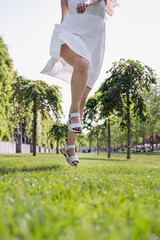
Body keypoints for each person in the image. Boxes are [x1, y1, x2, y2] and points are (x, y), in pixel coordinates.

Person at [41, 0, 119, 166]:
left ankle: (70, 147)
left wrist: (87, 3)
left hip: (94, 44)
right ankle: (74, 118)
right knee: (82, 63)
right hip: (70, 34)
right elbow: (64, 18)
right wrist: (59, 39)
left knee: (82, 97)